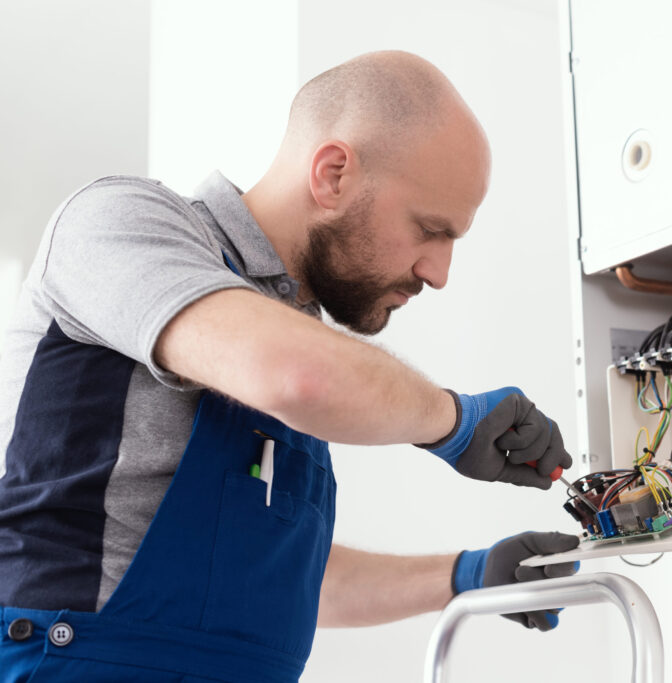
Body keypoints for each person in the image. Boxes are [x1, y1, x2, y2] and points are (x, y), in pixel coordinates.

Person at [0, 51, 580, 682]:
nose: (438, 273)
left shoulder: (294, 343)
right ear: (333, 174)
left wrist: (467, 573)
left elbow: (288, 576)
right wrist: (456, 421)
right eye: (429, 230)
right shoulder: (120, 222)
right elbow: (296, 376)